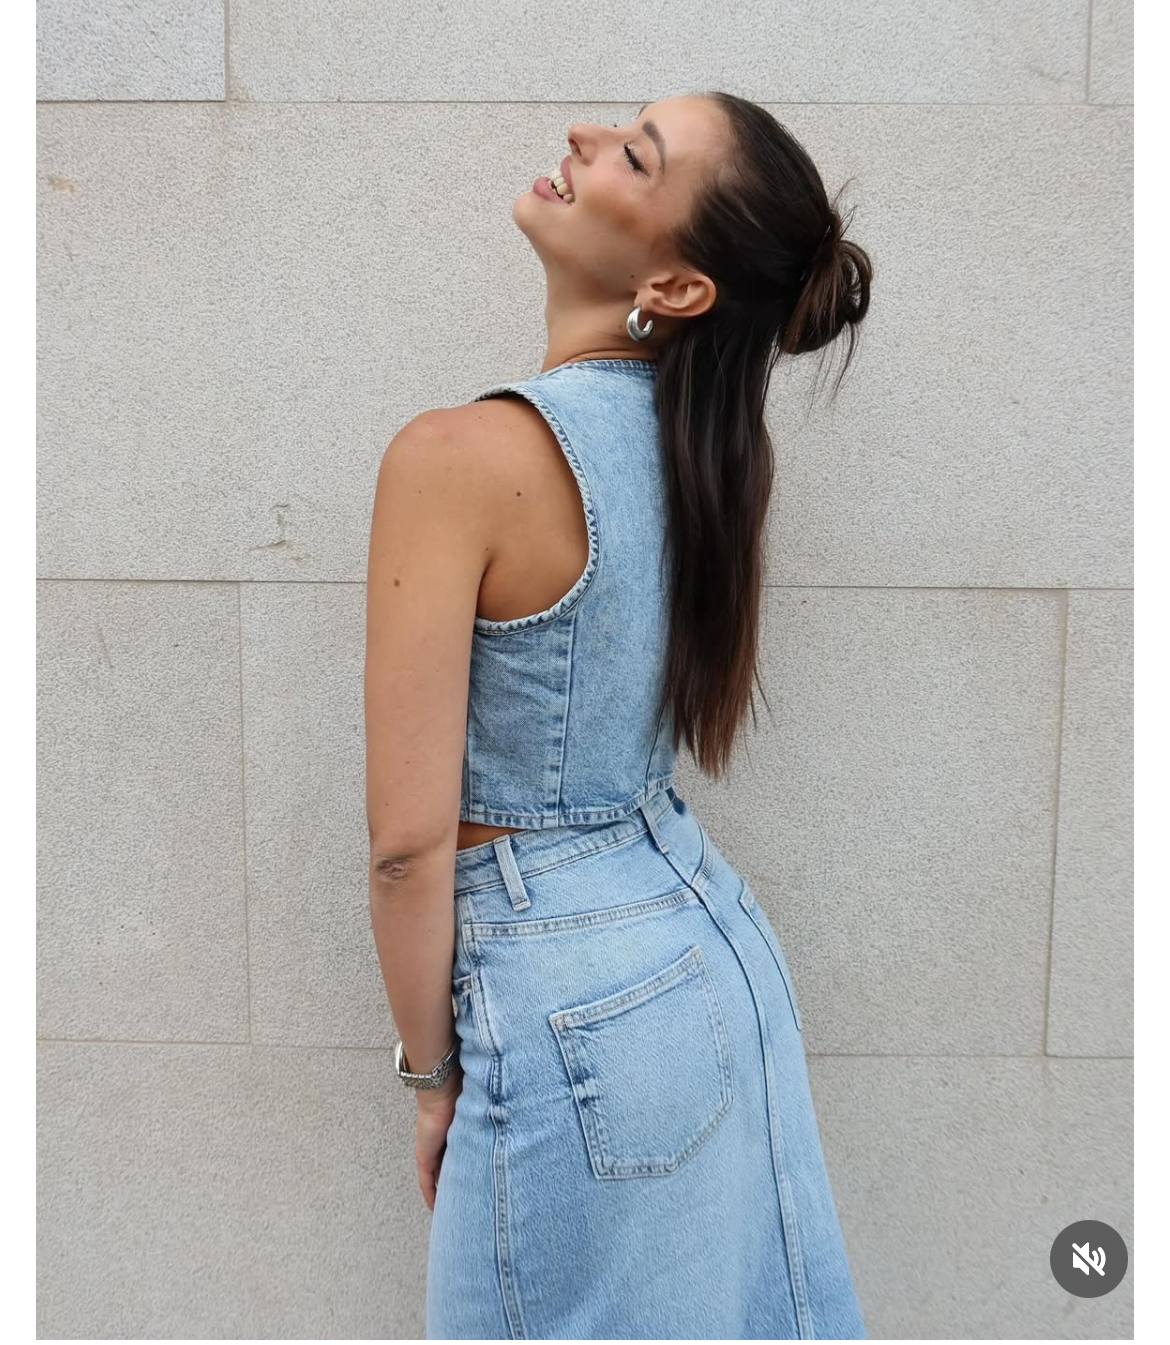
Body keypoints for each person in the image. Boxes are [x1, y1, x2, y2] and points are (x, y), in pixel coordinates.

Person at [364, 89, 873, 1340]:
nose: (585, 137)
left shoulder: (458, 458)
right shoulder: (702, 452)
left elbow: (407, 847)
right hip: (707, 946)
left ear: (680, 286)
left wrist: (430, 1076)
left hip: (569, 1000)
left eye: (637, 156)